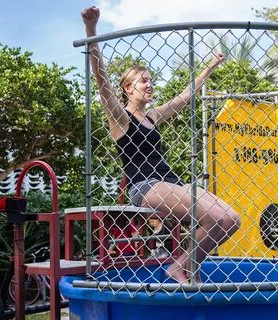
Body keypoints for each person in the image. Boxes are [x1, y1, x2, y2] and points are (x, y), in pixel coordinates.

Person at [81, 6, 241, 284]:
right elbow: (102, 81)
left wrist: (209, 68)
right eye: (143, 81)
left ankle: (184, 265)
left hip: (170, 182)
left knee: (230, 219)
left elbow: (183, 97)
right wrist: (91, 32)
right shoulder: (121, 118)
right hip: (144, 185)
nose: (149, 85)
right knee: (216, 216)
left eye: (151, 80)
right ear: (128, 89)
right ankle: (182, 268)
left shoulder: (152, 117)